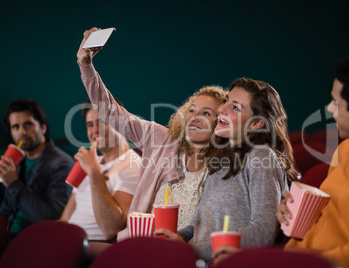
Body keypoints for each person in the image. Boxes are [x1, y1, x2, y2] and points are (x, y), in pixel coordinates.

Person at [215, 55, 349, 268]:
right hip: (297, 258)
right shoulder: (347, 149)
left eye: (335, 103)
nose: (330, 109)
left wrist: (276, 262)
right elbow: (328, 223)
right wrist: (297, 214)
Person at [76, 27, 226, 240]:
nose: (195, 117)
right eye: (191, 110)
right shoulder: (161, 139)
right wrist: (86, 66)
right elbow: (110, 111)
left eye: (206, 113)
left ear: (219, 123)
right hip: (138, 245)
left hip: (186, 254)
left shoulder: (224, 167)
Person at [155, 77, 297, 263]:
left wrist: (191, 250)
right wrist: (175, 240)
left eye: (235, 107)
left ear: (256, 124)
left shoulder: (261, 156)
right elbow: (195, 226)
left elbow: (263, 231)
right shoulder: (221, 160)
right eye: (226, 101)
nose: (222, 109)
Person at [59, 99, 141, 242]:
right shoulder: (89, 162)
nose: (95, 130)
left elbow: (111, 229)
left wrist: (94, 173)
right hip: (67, 240)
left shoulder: (132, 164)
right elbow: (65, 219)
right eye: (90, 125)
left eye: (102, 122)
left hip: (93, 247)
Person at [0, 99, 74, 243]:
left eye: (28, 124)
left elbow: (53, 219)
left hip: (36, 242)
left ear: (43, 128)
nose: (22, 132)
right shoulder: (18, 161)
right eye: (15, 127)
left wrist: (14, 183)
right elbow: (5, 209)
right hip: (7, 237)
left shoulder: (62, 164)